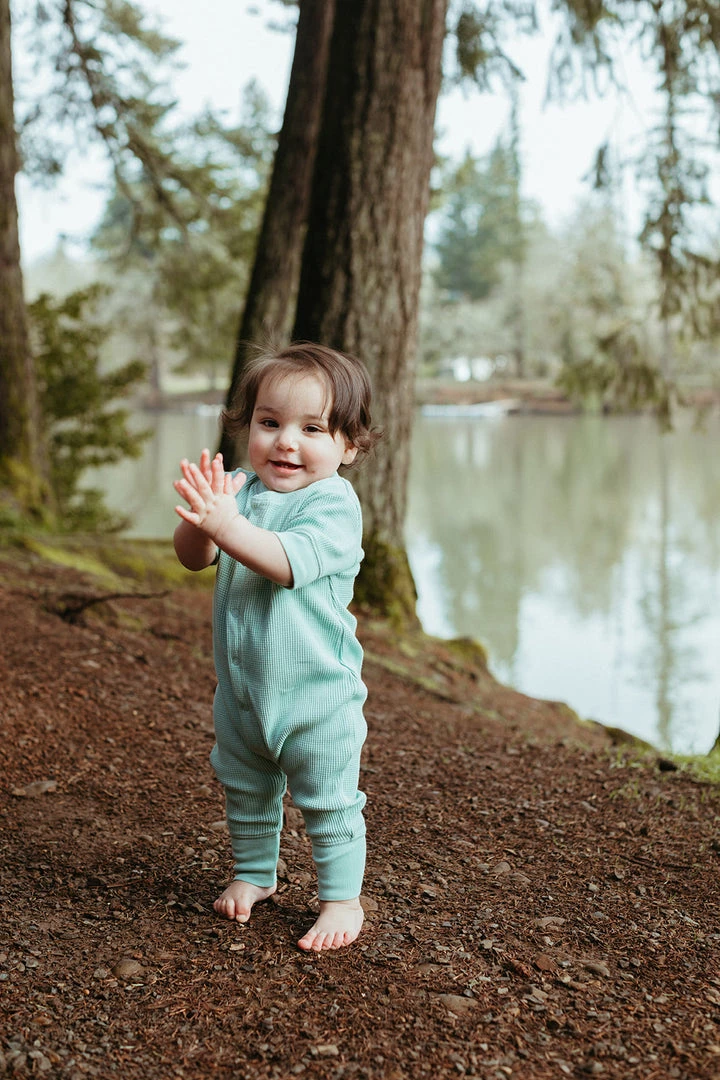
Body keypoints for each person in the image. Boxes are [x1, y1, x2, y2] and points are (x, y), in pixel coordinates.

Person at [173, 342, 380, 952]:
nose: (286, 441)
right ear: (248, 427)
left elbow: (287, 563)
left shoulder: (333, 504)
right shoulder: (238, 492)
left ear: (349, 446)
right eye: (270, 422)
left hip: (317, 696)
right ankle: (255, 872)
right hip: (243, 690)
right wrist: (201, 519)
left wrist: (226, 524)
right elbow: (193, 558)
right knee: (246, 785)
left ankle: (341, 900)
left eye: (312, 429)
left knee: (328, 798)